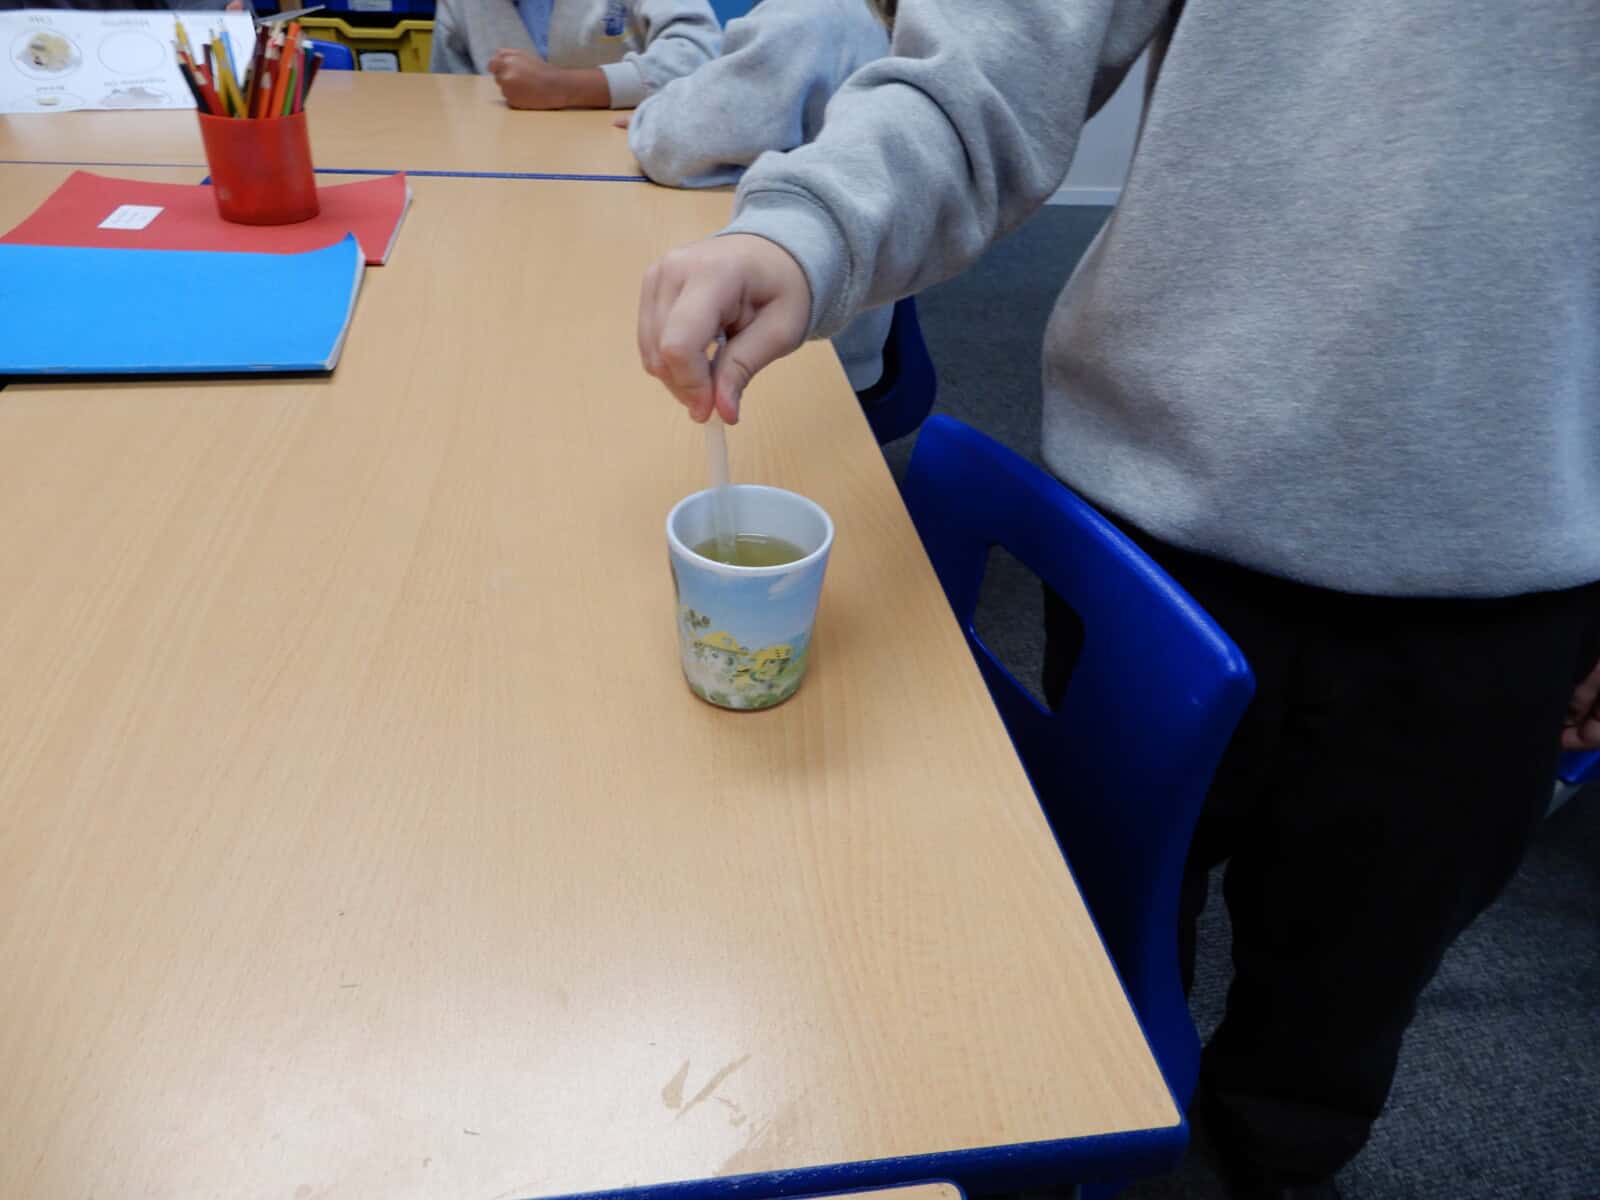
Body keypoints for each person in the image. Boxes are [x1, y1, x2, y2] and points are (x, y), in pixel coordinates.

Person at [633, 2, 1600, 1197]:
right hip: (1155, 518)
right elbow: (987, 59)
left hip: (1502, 574)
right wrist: (806, 227)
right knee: (1086, 943)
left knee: (1327, 1043)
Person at [625, 0, 894, 393]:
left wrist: (650, 109)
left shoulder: (806, 18)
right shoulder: (858, 14)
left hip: (806, 359)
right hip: (849, 318)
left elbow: (673, 143)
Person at [430, 0, 719, 112]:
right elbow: (448, 104)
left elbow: (702, 57)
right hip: (502, 171)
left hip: (629, 167)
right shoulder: (460, 6)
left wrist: (564, 88)